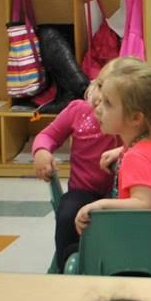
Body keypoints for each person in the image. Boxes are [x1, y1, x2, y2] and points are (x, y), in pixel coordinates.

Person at [31, 60, 134, 273]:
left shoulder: (131, 120)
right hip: (83, 191)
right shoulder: (78, 110)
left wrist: (122, 151)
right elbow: (48, 134)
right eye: (99, 86)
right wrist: (41, 150)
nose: (99, 98)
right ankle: (66, 265)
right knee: (68, 214)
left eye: (111, 96)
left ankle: (123, 265)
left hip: (122, 194)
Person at [73, 61, 151, 251]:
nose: (98, 108)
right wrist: (122, 151)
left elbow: (142, 204)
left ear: (135, 118)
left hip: (137, 250)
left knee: (79, 252)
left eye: (108, 103)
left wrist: (100, 205)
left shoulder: (136, 157)